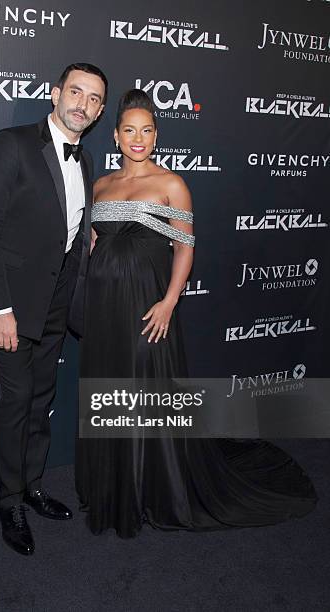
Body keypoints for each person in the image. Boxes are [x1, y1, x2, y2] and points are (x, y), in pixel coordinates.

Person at [75, 89, 317, 538]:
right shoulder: (101, 185)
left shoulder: (172, 184)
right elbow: (94, 243)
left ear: (156, 135)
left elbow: (185, 249)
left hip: (149, 306)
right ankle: (112, 486)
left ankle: (153, 487)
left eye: (147, 130)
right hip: (105, 307)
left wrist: (169, 302)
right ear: (115, 136)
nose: (138, 138)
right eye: (129, 130)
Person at [0, 63, 108, 555]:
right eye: (76, 92)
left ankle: (32, 484)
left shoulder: (86, 160)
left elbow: (65, 221)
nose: (82, 104)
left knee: (42, 398)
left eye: (93, 99)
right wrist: (0, 309)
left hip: (54, 303)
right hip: (8, 305)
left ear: (100, 110)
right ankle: (9, 501)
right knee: (17, 398)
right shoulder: (13, 143)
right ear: (55, 94)